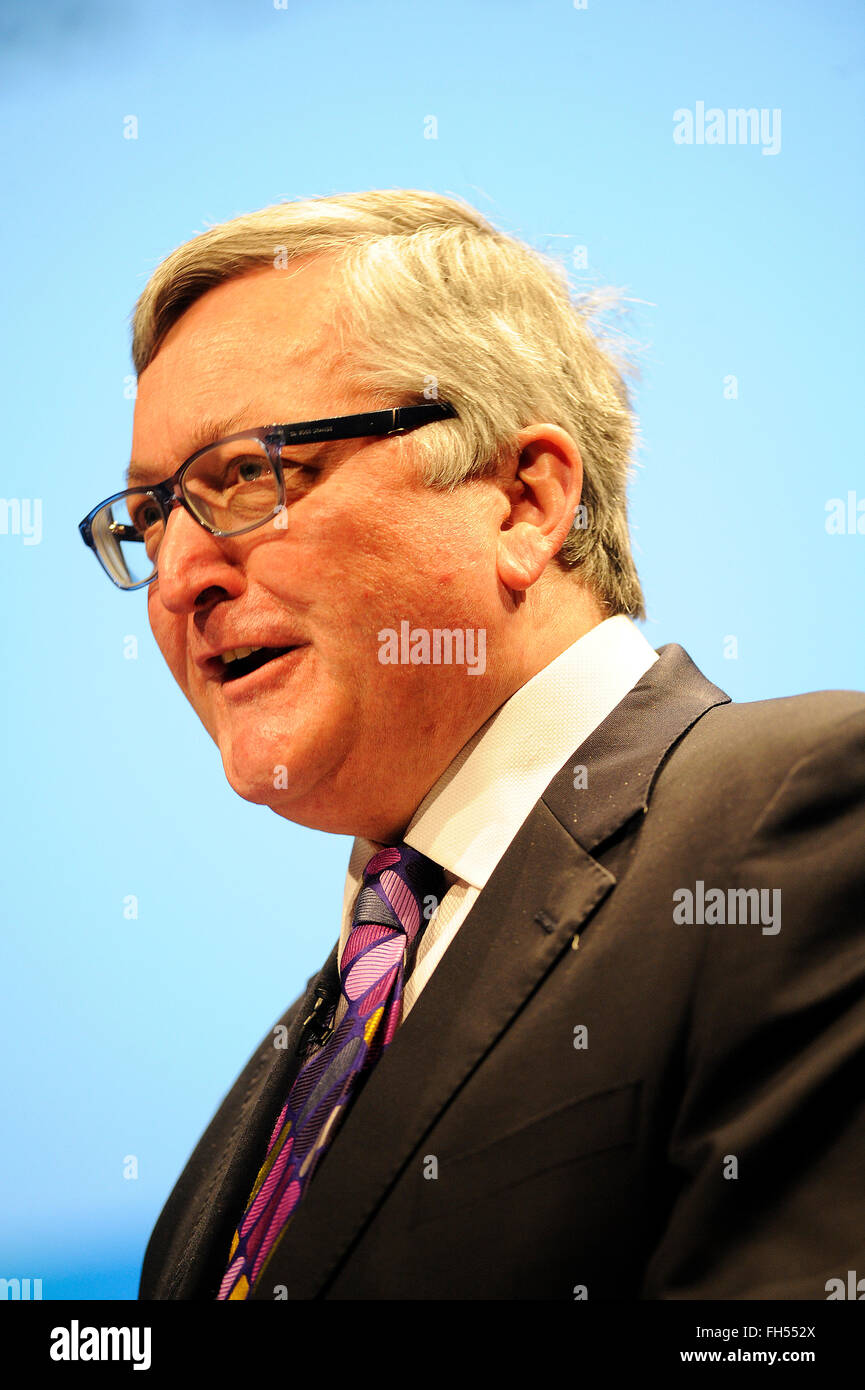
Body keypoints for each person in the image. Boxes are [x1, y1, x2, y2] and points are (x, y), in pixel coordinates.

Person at [79, 190, 865, 1301]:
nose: (177, 577)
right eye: (150, 515)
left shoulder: (799, 817)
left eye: (246, 477)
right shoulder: (298, 1064)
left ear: (522, 500)